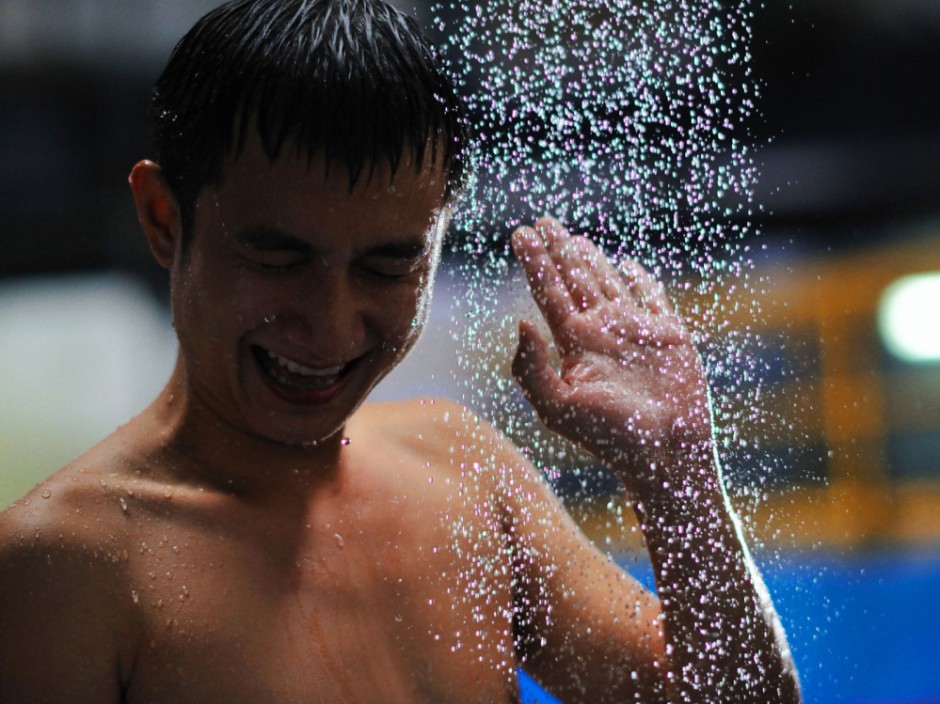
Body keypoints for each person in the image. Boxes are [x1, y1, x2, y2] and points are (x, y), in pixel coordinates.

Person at [0, 1, 800, 702]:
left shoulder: (464, 475)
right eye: (278, 259)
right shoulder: (64, 568)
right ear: (164, 218)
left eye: (388, 266)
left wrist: (679, 474)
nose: (332, 323)